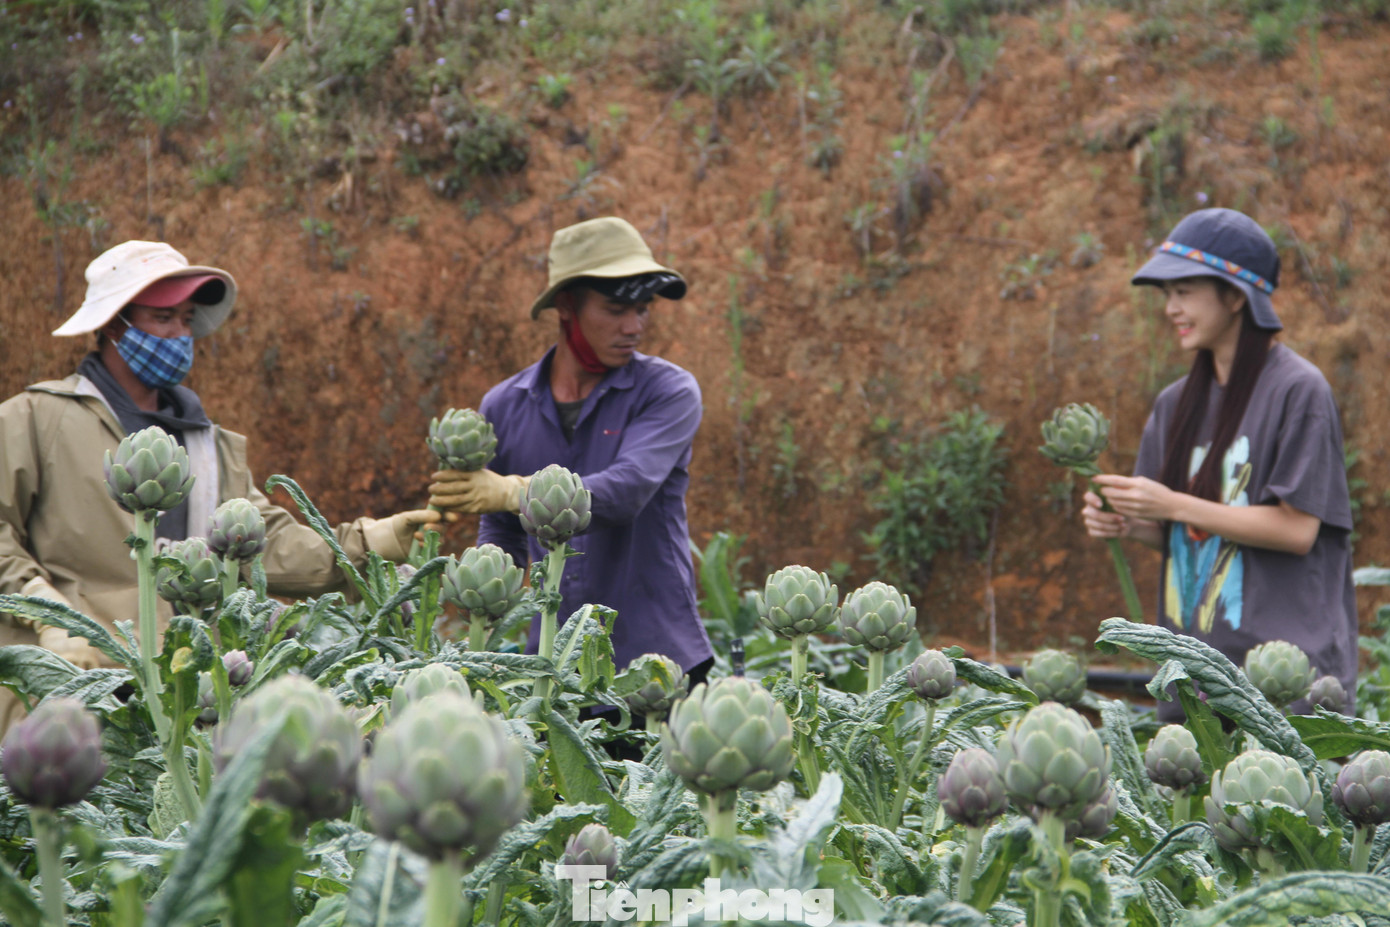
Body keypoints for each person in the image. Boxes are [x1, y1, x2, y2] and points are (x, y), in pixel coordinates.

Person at [0, 240, 440, 730]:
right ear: (112, 325)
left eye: (186, 320)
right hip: (70, 694)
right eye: (162, 319)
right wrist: (46, 612)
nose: (179, 335)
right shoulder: (35, 420)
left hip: (187, 698)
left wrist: (370, 542)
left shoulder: (207, 443)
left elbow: (263, 546)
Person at [1080, 208, 1357, 715]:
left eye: (1184, 292)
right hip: (1190, 674)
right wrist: (1124, 521)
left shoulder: (1298, 390)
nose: (1170, 308)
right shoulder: (1175, 403)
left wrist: (1172, 503)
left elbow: (1297, 530)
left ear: (1235, 296)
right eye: (1167, 295)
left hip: (1280, 682)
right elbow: (1174, 531)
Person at [429, 216, 715, 699]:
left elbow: (626, 491)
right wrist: (484, 616)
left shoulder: (667, 391)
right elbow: (500, 532)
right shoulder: (504, 405)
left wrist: (515, 490)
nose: (634, 326)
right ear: (566, 306)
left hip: (657, 665)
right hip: (550, 670)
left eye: (643, 310)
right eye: (615, 309)